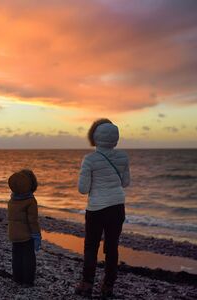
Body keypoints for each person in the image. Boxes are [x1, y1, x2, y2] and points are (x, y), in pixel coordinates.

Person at [75, 119, 130, 298]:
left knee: (91, 247)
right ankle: (108, 286)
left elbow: (83, 189)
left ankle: (87, 284)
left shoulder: (89, 159)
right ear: (116, 137)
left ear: (95, 136)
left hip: (97, 208)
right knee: (112, 247)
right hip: (117, 207)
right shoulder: (123, 157)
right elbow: (125, 183)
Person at [7, 169, 42, 286]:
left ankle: (17, 278)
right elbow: (32, 221)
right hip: (26, 235)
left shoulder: (12, 199)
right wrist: (36, 234)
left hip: (13, 233)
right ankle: (28, 281)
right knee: (28, 258)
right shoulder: (30, 201)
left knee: (16, 256)